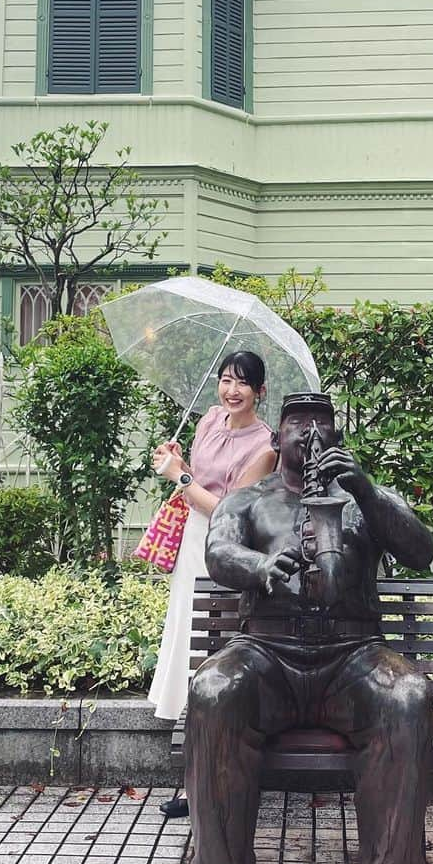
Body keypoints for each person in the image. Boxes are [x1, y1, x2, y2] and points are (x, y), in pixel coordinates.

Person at [172, 392, 433, 864]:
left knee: (406, 694)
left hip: (353, 656)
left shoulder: (365, 496)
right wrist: (262, 565)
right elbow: (218, 552)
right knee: (215, 688)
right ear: (278, 437)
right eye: (298, 423)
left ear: (336, 435)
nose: (310, 433)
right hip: (267, 654)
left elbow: (421, 550)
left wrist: (364, 488)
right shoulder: (250, 500)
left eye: (322, 423)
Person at [147, 349, 276, 816]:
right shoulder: (206, 422)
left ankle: (214, 777)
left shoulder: (266, 447)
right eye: (226, 380)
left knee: (214, 658)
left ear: (260, 392)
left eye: (243, 383)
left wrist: (178, 476)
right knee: (186, 648)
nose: (231, 390)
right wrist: (180, 461)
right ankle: (191, 779)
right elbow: (197, 482)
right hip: (190, 547)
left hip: (226, 554)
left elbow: (228, 511)